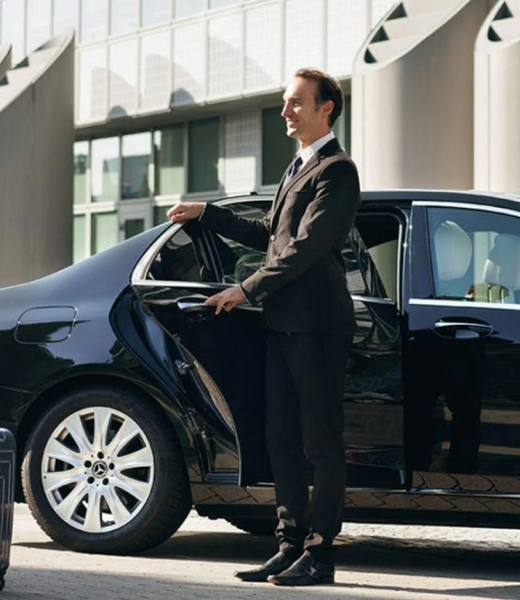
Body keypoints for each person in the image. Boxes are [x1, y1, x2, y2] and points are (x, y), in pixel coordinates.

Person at [168, 68, 360, 587]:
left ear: (327, 109)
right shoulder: (296, 168)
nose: (285, 111)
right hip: (282, 327)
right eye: (283, 102)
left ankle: (320, 556)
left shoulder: (337, 171)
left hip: (318, 327)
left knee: (320, 444)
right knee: (282, 442)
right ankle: (288, 544)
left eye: (296, 102)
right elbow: (271, 235)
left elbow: (307, 247)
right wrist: (210, 214)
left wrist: (245, 289)